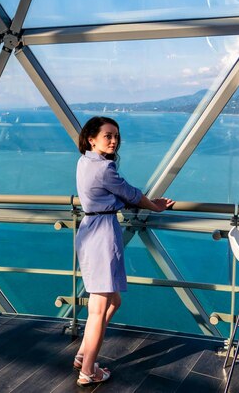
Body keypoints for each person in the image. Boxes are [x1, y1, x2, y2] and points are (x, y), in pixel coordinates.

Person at [73, 116, 174, 387]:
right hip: (102, 234)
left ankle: (84, 354)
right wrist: (155, 206)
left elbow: (113, 193)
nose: (114, 140)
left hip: (90, 229)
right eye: (108, 136)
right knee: (99, 308)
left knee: (112, 301)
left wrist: (120, 199)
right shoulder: (105, 169)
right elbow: (129, 192)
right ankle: (88, 372)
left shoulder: (84, 162)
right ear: (92, 138)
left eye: (116, 135)